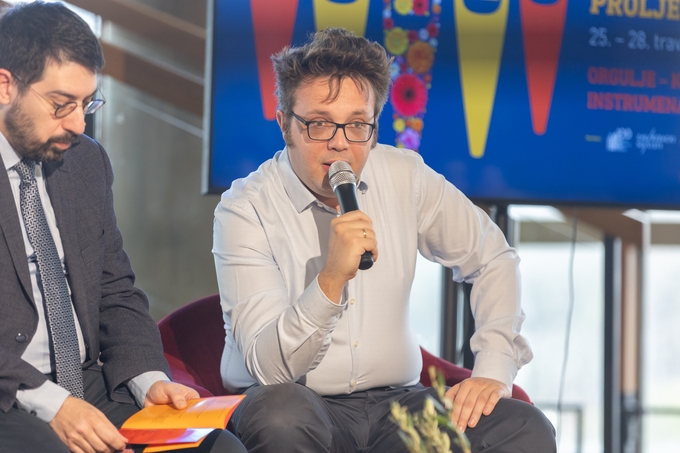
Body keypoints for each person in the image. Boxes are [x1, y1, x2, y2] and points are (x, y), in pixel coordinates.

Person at [213, 28, 556, 452]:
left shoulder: (405, 175)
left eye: (357, 125)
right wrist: (331, 280)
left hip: (398, 406)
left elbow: (493, 258)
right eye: (319, 124)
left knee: (526, 427)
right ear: (285, 125)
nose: (340, 143)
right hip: (296, 402)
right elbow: (269, 370)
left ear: (374, 130)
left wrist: (492, 369)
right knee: (281, 416)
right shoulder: (245, 208)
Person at [0, 3, 246, 453]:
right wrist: (53, 404)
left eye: (87, 104)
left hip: (86, 384)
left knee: (219, 448)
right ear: (5, 85)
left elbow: (115, 289)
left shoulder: (85, 161)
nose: (78, 124)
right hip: (10, 395)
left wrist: (146, 378)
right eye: (61, 105)